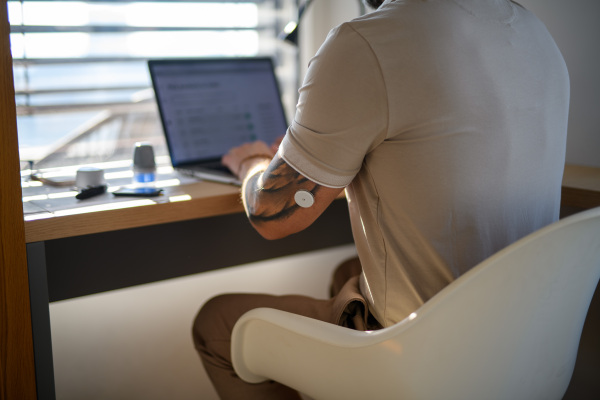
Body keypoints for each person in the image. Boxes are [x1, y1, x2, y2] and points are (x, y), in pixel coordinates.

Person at [192, 0, 570, 398]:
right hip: (528, 338)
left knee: (217, 323)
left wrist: (252, 162)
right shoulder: (530, 29)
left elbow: (272, 215)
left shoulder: (367, 43)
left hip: (429, 357)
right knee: (347, 273)